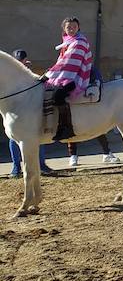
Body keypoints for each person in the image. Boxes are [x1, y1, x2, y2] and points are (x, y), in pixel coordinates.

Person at [7, 50, 54, 179]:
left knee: (37, 135)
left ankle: (41, 165)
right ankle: (16, 167)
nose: (20, 62)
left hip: (31, 108)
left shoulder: (27, 69)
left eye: (22, 60)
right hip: (16, 110)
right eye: (18, 60)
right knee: (14, 138)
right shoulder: (11, 72)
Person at [44, 17, 92, 141]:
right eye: (69, 27)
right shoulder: (67, 41)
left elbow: (68, 62)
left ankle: (66, 127)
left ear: (78, 27)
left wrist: (49, 74)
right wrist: (51, 72)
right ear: (64, 29)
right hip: (66, 73)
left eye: (74, 27)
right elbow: (62, 61)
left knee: (58, 96)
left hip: (76, 75)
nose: (71, 29)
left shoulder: (79, 42)